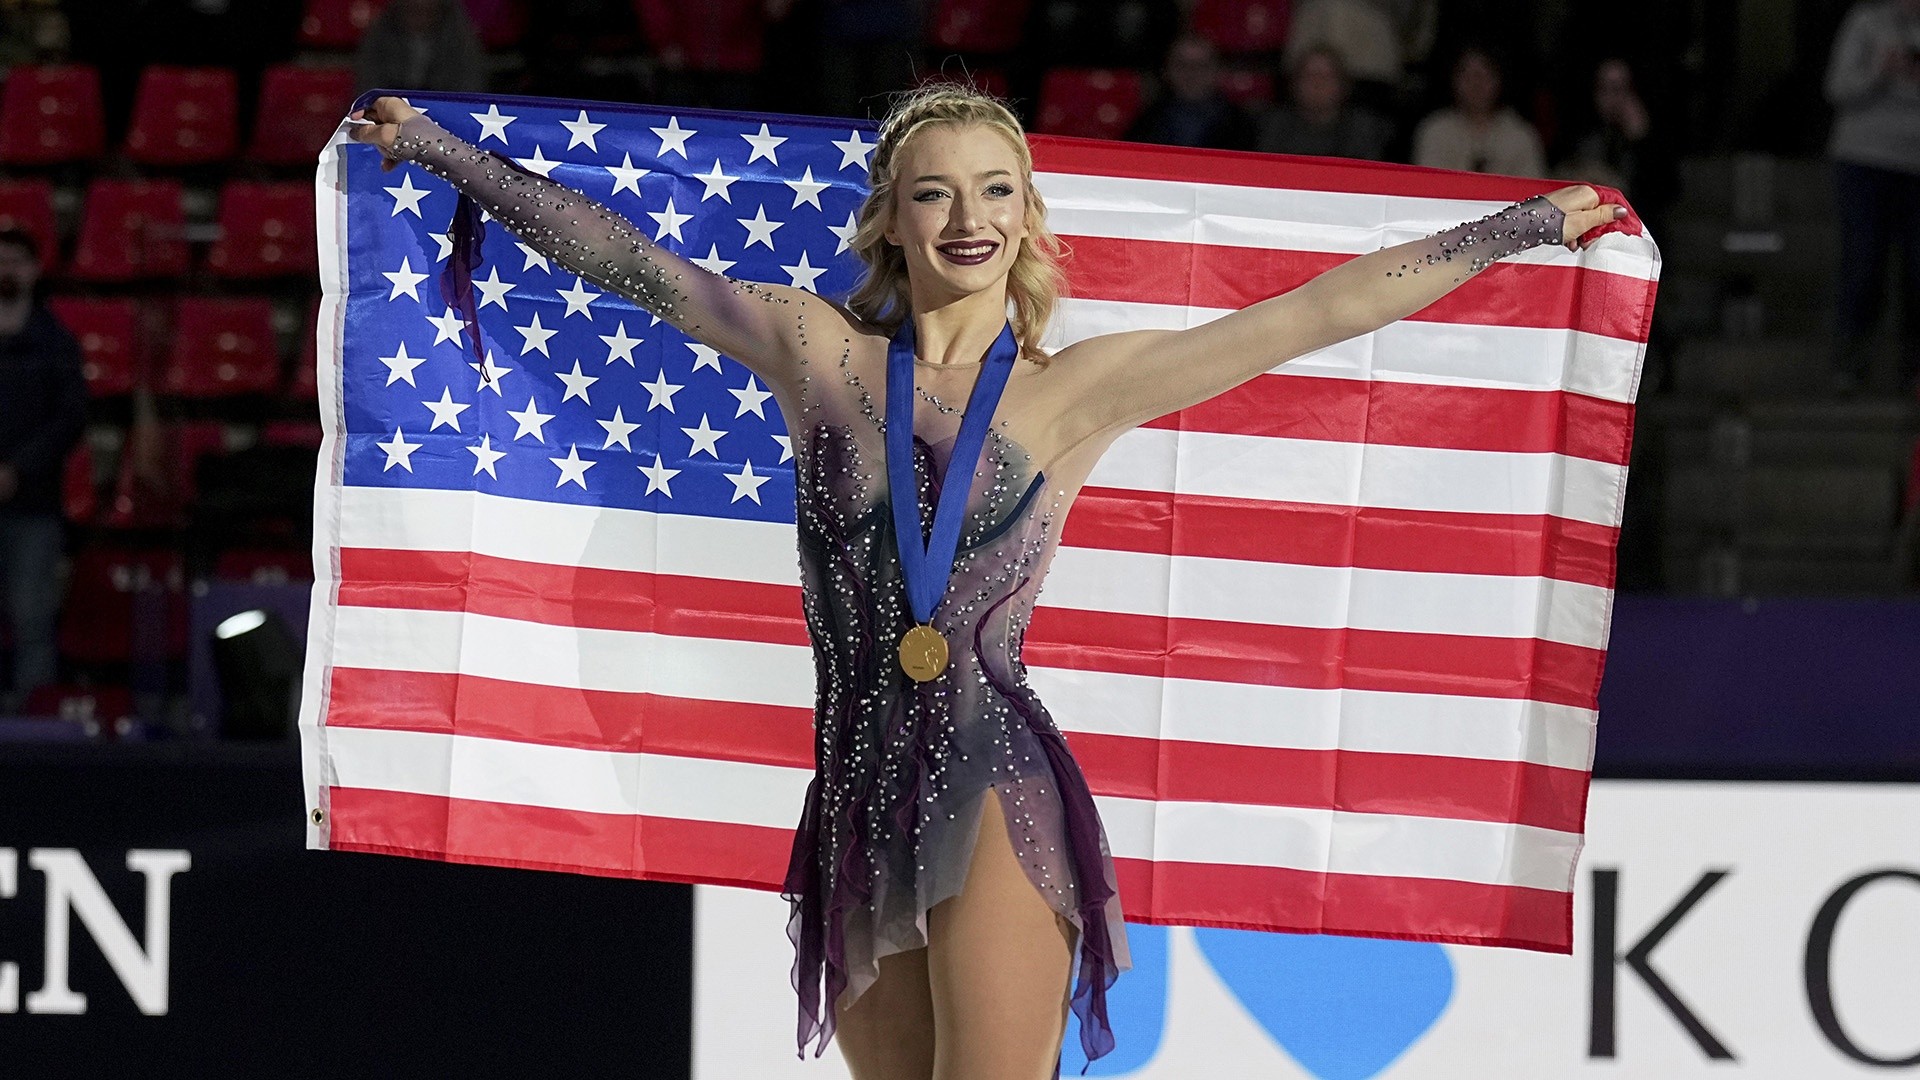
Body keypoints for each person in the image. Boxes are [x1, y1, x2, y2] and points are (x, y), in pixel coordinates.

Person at [349, 85, 1618, 1078]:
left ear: (1027, 215)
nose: (969, 217)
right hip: (850, 793)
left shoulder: (1077, 390)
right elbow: (636, 268)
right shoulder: (818, 351)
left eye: (996, 190)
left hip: (994, 781)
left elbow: (1310, 315)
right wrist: (456, 161)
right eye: (935, 193)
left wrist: (1520, 226)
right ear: (890, 218)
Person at [0, 228, 84, 713]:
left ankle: (32, 728)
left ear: (33, 270)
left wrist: (17, 469)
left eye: (16, 260)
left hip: (34, 506)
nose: (7, 269)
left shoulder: (55, 342)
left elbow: (70, 418)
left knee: (33, 620)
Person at [1823, 0, 1920, 397]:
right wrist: (1881, 69)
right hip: (1864, 159)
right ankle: (1849, 364)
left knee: (1917, 270)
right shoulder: (1865, 21)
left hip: (1915, 164)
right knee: (1863, 260)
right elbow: (1837, 87)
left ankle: (1912, 372)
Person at [1411, 44, 1546, 177]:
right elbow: (1428, 186)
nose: (1476, 84)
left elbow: (1534, 191)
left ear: (1499, 80)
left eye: (1483, 76)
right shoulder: (1435, 131)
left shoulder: (1521, 136)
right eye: (1467, 76)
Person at [1256, 43, 1398, 161]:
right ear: (1293, 84)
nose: (1317, 83)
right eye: (1309, 75)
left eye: (1326, 76)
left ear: (1344, 85)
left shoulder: (1365, 128)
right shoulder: (1274, 126)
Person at [1127, 34, 1255, 151]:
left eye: (1202, 65)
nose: (1192, 73)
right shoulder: (1147, 122)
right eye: (1182, 64)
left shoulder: (1243, 126)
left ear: (1219, 70)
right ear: (1166, 71)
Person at [354, 0, 487, 96]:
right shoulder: (379, 37)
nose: (420, 18)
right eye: (413, 11)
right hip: (389, 113)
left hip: (444, 113)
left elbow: (468, 91)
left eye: (427, 12)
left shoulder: (459, 39)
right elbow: (368, 90)